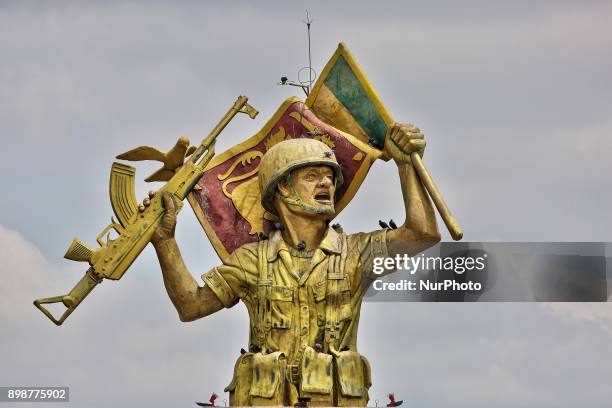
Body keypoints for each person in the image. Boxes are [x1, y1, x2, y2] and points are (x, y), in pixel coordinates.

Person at [151, 123, 440, 406]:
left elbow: (422, 234)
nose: (326, 183)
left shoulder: (355, 253)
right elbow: (191, 305)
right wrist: (165, 242)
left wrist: (406, 166)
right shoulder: (252, 260)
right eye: (312, 176)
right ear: (284, 189)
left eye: (329, 177)